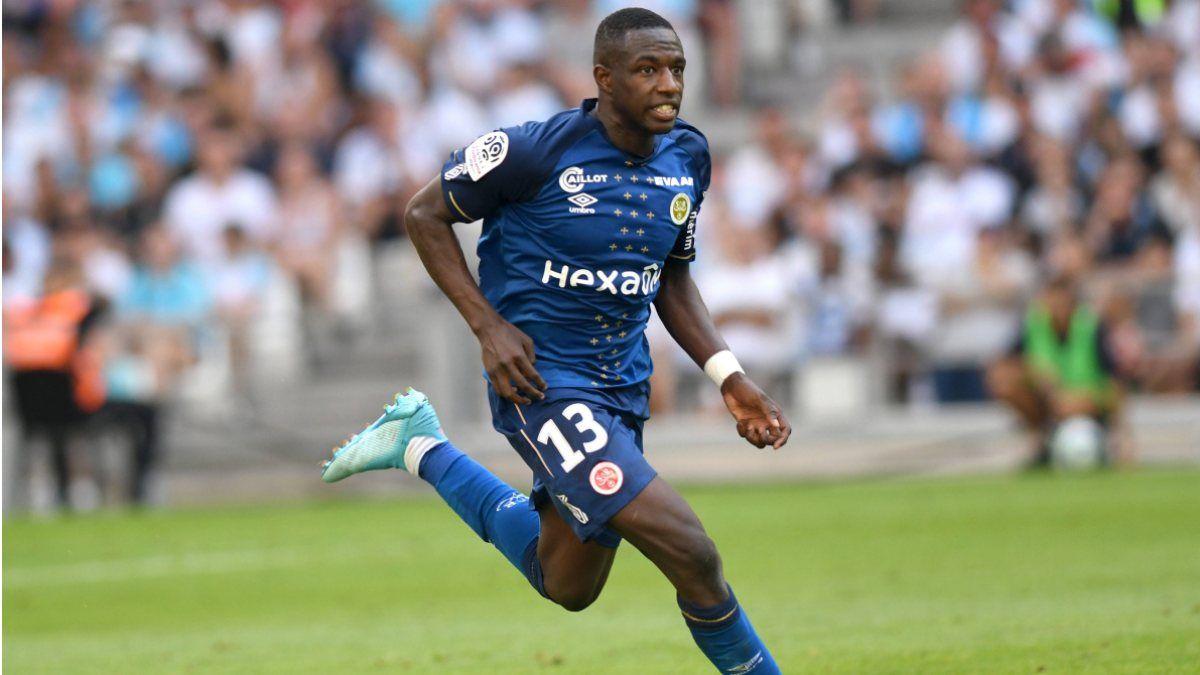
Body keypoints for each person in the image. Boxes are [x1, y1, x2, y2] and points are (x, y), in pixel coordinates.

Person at [321, 9, 789, 673]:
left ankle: (418, 444)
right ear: (604, 78)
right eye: (648, 69)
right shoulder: (533, 151)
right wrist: (488, 326)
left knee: (568, 582)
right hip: (541, 383)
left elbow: (672, 277)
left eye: (676, 68)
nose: (668, 85)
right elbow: (423, 214)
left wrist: (729, 377)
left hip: (621, 388)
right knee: (693, 552)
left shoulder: (687, 156)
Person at [986, 274, 1130, 467]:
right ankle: (1039, 437)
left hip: (1086, 397)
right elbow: (1003, 365)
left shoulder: (1091, 325)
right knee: (1005, 381)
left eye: (1062, 302)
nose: (1056, 307)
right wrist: (1033, 372)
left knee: (1076, 403)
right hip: (1048, 399)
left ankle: (1095, 439)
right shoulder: (1033, 324)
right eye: (1051, 301)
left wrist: (1122, 432)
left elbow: (1113, 381)